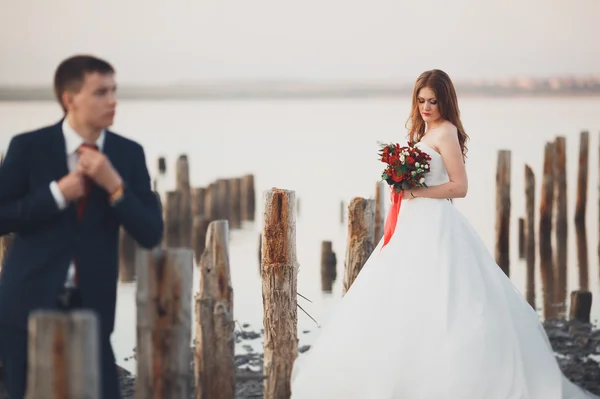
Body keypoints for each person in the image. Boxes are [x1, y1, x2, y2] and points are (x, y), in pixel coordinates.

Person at [290, 69, 598, 399]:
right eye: (421, 101)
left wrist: (416, 192)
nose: (426, 107)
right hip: (412, 221)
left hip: (435, 222)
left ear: (444, 101)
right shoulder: (425, 130)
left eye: (433, 101)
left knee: (444, 294)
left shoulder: (447, 132)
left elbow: (460, 187)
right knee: (399, 293)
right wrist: (403, 183)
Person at [0, 55, 164, 398]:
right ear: (69, 99)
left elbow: (151, 233)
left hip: (94, 305)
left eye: (114, 90)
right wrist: (55, 195)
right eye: (101, 92)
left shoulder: (127, 154)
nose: (112, 100)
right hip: (25, 303)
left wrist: (115, 186)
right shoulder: (28, 147)